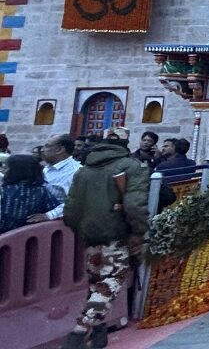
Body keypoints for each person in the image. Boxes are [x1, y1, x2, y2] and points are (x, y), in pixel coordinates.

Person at [59, 129, 149, 349]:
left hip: (90, 235)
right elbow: (134, 205)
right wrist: (139, 232)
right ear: (126, 143)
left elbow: (71, 208)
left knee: (95, 283)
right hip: (117, 233)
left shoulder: (83, 170)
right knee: (111, 282)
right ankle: (79, 331)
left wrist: (81, 229)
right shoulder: (130, 166)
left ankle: (99, 335)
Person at [1, 154, 60, 233]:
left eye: (6, 168)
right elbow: (59, 209)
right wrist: (48, 215)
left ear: (15, 171)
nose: (3, 171)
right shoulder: (41, 191)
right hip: (31, 237)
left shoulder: (4, 191)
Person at [29, 134, 81, 223]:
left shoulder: (75, 172)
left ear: (60, 150)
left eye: (47, 146)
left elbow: (76, 203)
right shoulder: (48, 168)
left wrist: (49, 215)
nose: (42, 150)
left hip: (54, 225)